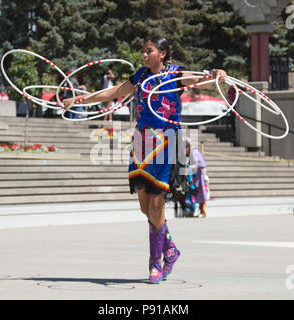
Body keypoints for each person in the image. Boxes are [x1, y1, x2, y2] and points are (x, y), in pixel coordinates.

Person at [63, 36, 227, 284]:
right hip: (141, 141)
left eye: (149, 51)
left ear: (162, 53)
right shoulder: (140, 76)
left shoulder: (176, 73)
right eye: (143, 51)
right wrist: (78, 99)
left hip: (166, 140)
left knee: (156, 199)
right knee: (144, 205)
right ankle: (170, 249)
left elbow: (199, 81)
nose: (144, 55)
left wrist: (215, 74)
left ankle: (155, 264)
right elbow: (114, 92)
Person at [186, 141, 210, 218]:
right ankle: (201, 211)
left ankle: (203, 212)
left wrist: (190, 167)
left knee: (202, 193)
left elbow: (198, 164)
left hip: (201, 175)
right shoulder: (193, 151)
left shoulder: (194, 151)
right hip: (199, 175)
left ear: (188, 147)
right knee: (200, 193)